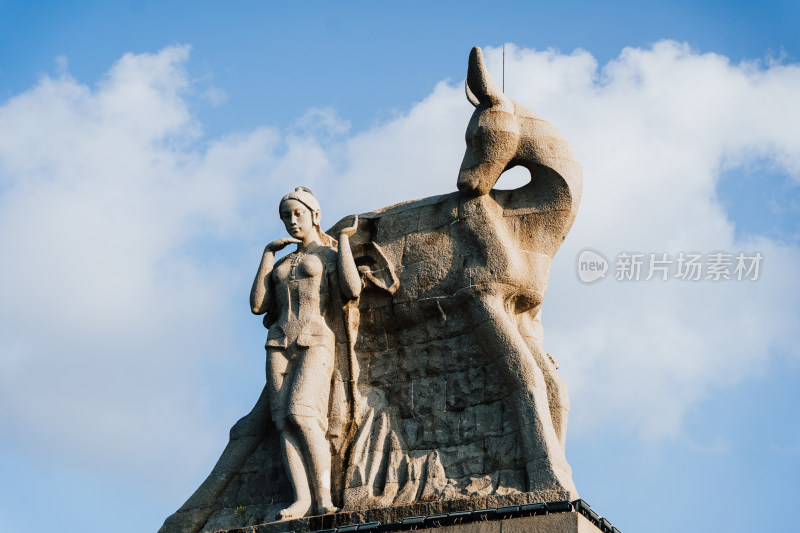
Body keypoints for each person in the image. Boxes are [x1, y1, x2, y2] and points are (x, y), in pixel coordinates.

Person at [250, 187, 361, 520]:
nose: (291, 221)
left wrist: (343, 241)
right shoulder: (283, 261)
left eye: (297, 213)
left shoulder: (327, 256)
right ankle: (302, 499)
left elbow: (352, 289)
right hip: (279, 341)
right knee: (284, 422)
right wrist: (268, 255)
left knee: (302, 413)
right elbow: (257, 305)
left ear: (315, 214)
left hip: (316, 339)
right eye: (286, 216)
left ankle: (324, 497)